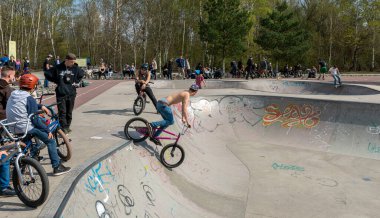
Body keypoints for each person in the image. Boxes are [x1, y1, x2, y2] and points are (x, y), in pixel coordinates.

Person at [6, 74, 71, 175]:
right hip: (25, 127)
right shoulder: (29, 98)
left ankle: (28, 159)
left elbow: (25, 105)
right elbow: (34, 119)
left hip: (13, 126)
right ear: (32, 86)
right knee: (50, 141)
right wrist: (47, 130)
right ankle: (57, 167)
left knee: (27, 142)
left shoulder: (14, 94)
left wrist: (41, 106)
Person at [44, 53, 84, 134]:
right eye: (71, 62)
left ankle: (67, 126)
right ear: (66, 60)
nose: (73, 63)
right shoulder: (58, 67)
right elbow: (47, 73)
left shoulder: (75, 68)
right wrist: (56, 80)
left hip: (71, 93)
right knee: (62, 112)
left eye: (73, 62)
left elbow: (81, 74)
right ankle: (63, 128)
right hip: (61, 93)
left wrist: (76, 81)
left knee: (69, 112)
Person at [0, 66, 16, 196]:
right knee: (4, 155)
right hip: (2, 124)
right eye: (13, 76)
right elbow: (11, 107)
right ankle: (3, 186)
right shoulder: (7, 89)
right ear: (9, 76)